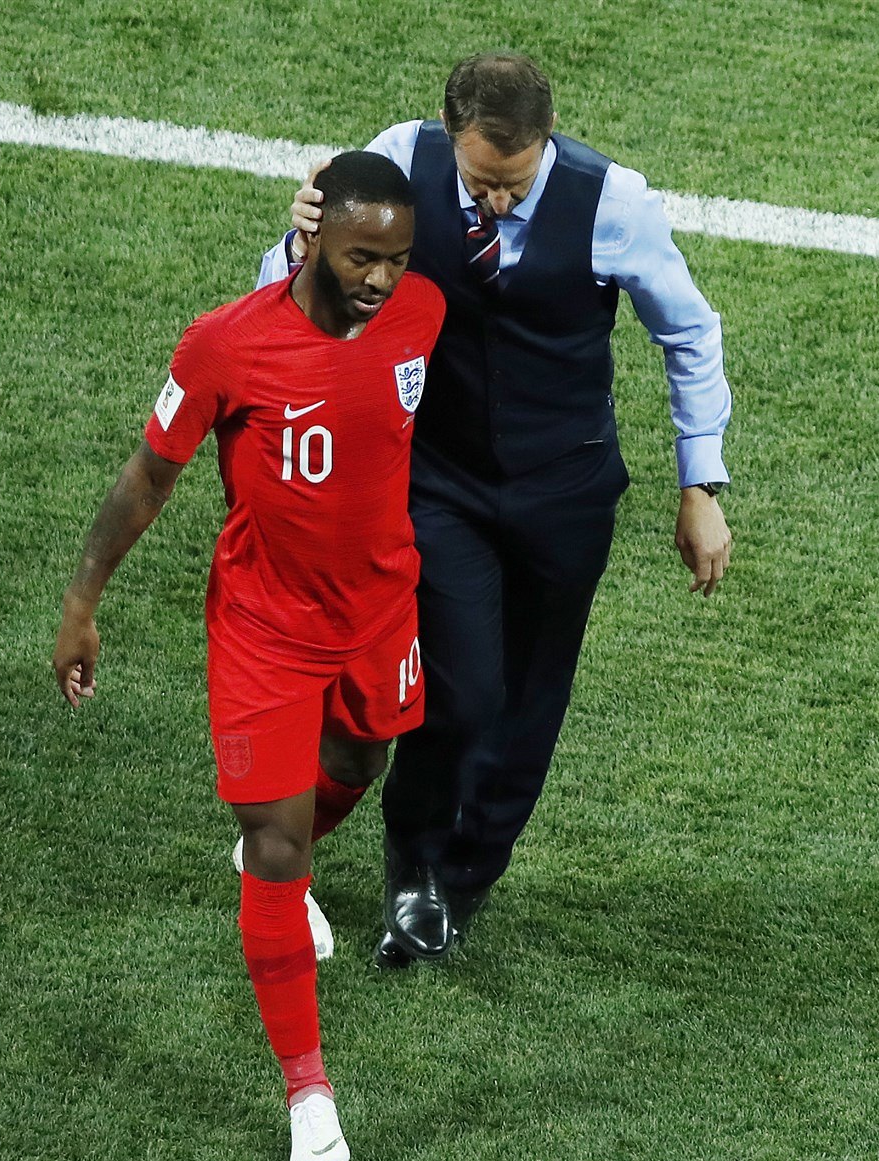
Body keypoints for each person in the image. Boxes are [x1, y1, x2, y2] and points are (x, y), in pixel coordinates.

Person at [257, 52, 735, 968]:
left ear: (546, 141)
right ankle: (414, 866)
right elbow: (294, 298)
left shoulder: (615, 203)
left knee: (531, 702)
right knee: (462, 689)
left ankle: (467, 876)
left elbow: (689, 331)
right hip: (441, 484)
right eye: (481, 182)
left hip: (566, 492)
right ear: (449, 136)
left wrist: (699, 485)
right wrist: (299, 244)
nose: (499, 202)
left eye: (516, 183)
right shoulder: (398, 163)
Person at [54, 152, 444, 1161]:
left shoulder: (422, 314)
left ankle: (283, 854)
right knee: (277, 844)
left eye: (397, 259)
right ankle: (308, 1091)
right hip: (264, 631)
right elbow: (147, 478)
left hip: (380, 613)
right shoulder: (228, 343)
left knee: (360, 762)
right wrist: (82, 603)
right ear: (313, 240)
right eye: (360, 257)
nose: (380, 279)